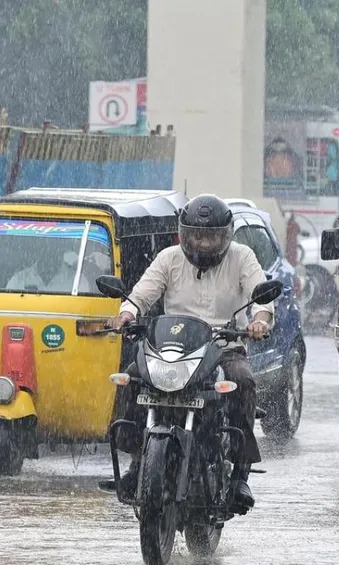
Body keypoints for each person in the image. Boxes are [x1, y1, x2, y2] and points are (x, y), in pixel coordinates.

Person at [106, 194, 273, 510]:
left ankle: (240, 473)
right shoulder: (169, 258)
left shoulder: (243, 257)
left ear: (226, 235)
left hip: (223, 348)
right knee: (131, 376)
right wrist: (126, 314)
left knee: (243, 380)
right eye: (197, 235)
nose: (204, 243)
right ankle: (136, 461)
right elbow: (141, 294)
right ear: (184, 234)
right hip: (171, 348)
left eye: (211, 237)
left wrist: (260, 320)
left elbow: (260, 296)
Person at [6, 238, 78, 292]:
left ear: (62, 250)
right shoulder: (18, 280)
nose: (49, 253)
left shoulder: (77, 281)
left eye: (54, 248)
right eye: (45, 248)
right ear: (38, 251)